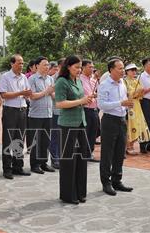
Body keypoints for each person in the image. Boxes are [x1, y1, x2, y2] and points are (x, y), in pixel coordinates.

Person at [54, 55, 90, 205]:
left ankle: (80, 192)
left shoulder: (79, 80)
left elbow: (80, 99)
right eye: (76, 67)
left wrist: (87, 99)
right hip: (68, 124)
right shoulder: (62, 82)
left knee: (81, 159)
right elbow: (60, 103)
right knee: (69, 160)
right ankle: (69, 194)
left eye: (80, 67)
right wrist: (80, 101)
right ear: (68, 67)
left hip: (81, 123)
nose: (79, 70)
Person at [97, 59, 134, 196]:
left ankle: (117, 180)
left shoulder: (122, 83)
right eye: (119, 68)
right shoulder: (104, 85)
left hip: (121, 120)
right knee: (107, 153)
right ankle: (106, 183)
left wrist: (127, 105)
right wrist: (121, 103)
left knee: (120, 153)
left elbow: (123, 101)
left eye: (123, 68)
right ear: (111, 70)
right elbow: (101, 105)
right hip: (109, 120)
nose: (123, 71)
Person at [0, 54, 32, 179]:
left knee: (20, 139)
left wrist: (27, 94)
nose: (21, 65)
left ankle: (18, 166)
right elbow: (3, 94)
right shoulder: (5, 77)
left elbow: (28, 91)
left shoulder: (23, 77)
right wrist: (20, 93)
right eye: (19, 63)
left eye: (22, 63)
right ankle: (7, 168)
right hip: (10, 111)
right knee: (8, 140)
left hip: (22, 110)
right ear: (12, 64)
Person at [27, 56, 56, 174]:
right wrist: (46, 92)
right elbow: (32, 96)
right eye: (44, 64)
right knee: (36, 140)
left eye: (48, 64)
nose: (47, 67)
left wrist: (54, 94)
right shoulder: (32, 79)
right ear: (37, 66)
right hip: (36, 115)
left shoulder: (50, 79)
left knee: (46, 140)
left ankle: (44, 162)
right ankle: (35, 164)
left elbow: (52, 94)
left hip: (48, 114)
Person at [123, 63, 150, 155]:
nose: (134, 72)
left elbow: (141, 94)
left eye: (135, 70)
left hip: (137, 105)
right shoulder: (124, 81)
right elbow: (127, 94)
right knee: (130, 126)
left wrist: (140, 92)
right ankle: (128, 146)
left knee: (138, 125)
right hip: (129, 105)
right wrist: (136, 92)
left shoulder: (136, 81)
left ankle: (132, 145)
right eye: (132, 70)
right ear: (126, 72)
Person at [79, 59, 100, 162]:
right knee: (85, 133)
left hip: (94, 109)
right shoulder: (79, 80)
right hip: (85, 109)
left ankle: (89, 153)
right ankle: (83, 153)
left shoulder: (93, 80)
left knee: (93, 132)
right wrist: (88, 97)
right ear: (83, 67)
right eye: (89, 67)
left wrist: (95, 95)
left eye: (93, 67)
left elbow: (96, 93)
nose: (92, 69)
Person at [48, 59, 64, 169]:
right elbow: (52, 94)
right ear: (59, 66)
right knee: (55, 136)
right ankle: (55, 159)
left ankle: (61, 157)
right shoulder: (53, 78)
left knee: (63, 137)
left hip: (66, 112)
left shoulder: (69, 78)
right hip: (56, 111)